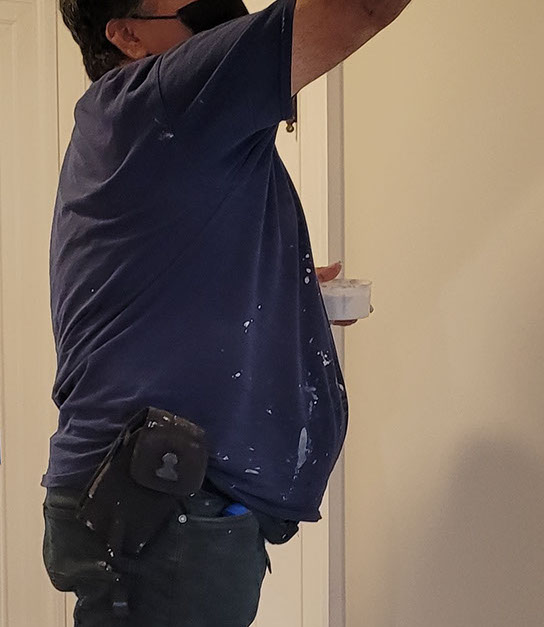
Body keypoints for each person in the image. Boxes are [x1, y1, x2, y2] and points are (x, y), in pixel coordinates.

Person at [41, 0, 411, 624]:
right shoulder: (164, 98)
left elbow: (154, 300)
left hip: (156, 502)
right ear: (128, 35)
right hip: (159, 504)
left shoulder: (135, 128)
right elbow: (360, 7)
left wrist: (287, 298)